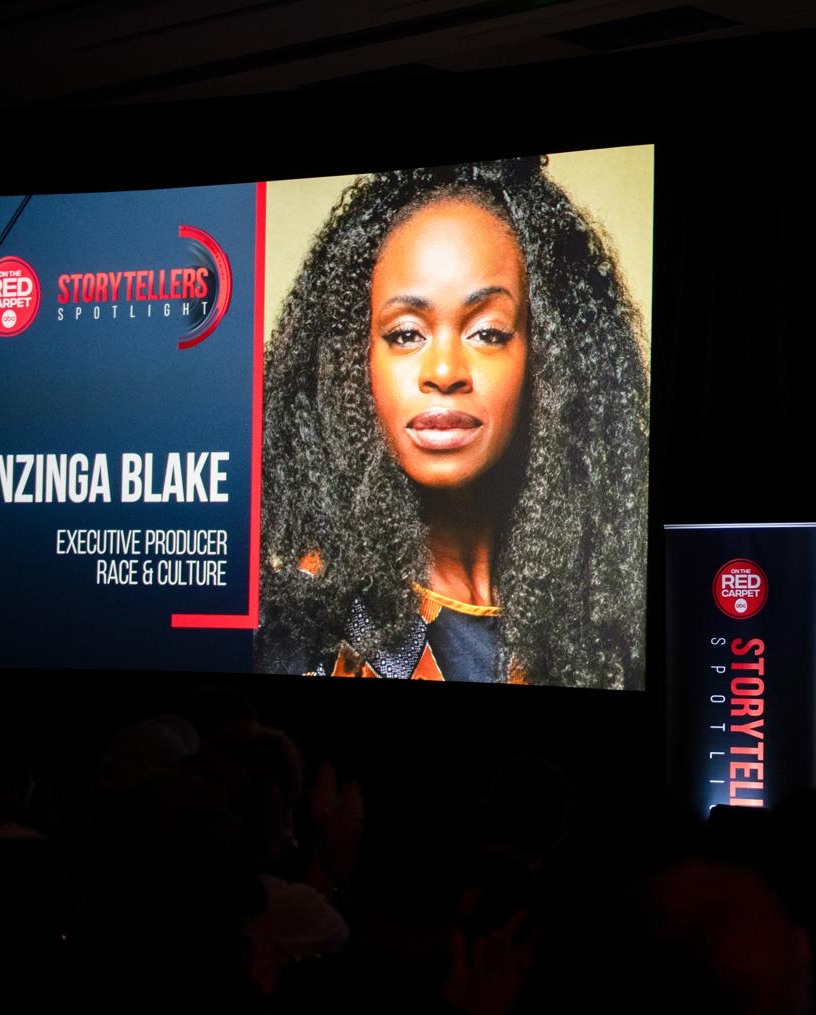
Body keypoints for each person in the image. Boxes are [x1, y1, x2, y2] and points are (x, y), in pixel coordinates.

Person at [256, 158, 649, 689]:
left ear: (548, 360)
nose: (444, 372)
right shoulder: (303, 624)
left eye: (488, 332)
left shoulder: (602, 616)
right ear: (354, 363)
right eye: (405, 334)